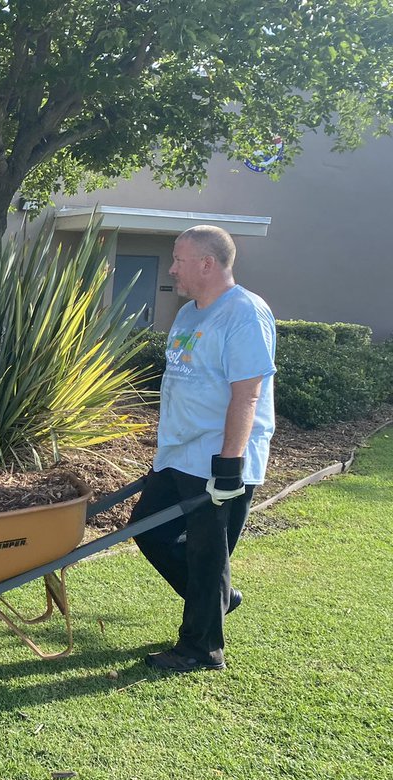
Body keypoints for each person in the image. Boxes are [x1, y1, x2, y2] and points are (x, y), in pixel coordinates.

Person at [129, 225, 276, 673]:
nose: (172, 268)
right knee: (148, 530)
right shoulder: (189, 313)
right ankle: (217, 599)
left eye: (178, 260)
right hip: (179, 452)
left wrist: (229, 465)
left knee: (208, 552)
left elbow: (247, 393)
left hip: (218, 459)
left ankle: (201, 648)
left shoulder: (244, 314)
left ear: (207, 264)